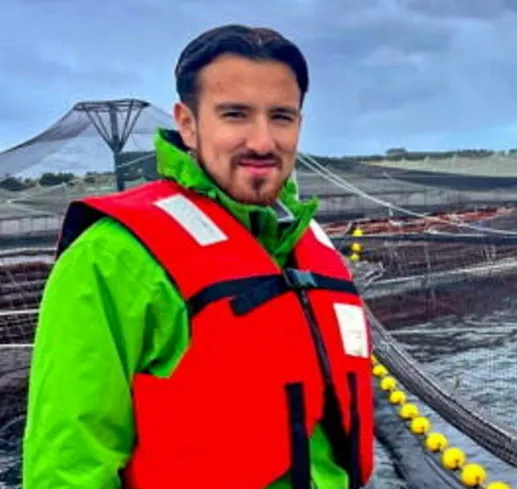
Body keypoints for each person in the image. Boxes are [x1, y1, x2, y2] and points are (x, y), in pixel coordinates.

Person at [22, 24, 375, 489]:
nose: (263, 142)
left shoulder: (304, 245)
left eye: (281, 117)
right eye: (235, 115)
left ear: (299, 126)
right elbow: (67, 469)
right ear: (187, 123)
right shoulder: (111, 259)